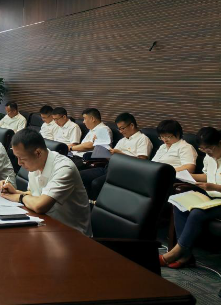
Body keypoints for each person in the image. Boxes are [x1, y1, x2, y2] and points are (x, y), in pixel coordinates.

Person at [0, 128, 92, 236]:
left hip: (72, 234)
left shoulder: (64, 168)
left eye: (21, 158)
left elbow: (40, 206)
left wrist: (18, 197)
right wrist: (15, 192)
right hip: (46, 224)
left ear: (38, 153)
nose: (19, 163)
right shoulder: (35, 164)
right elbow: (35, 194)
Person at [160, 127, 221, 268]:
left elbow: (213, 182)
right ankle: (186, 255)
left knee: (197, 213)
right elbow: (208, 175)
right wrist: (187, 176)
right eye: (203, 149)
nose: (207, 152)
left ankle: (174, 254)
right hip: (211, 197)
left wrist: (214, 187)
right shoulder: (209, 157)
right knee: (180, 204)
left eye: (210, 149)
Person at [80, 113, 152, 200]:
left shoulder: (143, 139)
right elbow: (111, 158)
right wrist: (101, 148)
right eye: (119, 129)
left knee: (96, 183)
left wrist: (121, 154)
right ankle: (87, 202)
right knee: (80, 175)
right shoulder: (123, 140)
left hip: (124, 172)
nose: (121, 132)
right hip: (109, 168)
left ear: (132, 125)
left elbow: (142, 162)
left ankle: (96, 204)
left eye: (122, 128)